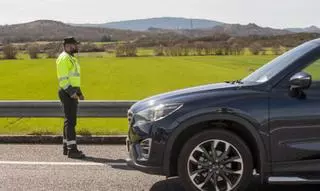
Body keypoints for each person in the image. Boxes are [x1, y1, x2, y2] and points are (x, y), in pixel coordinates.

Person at [56, 37, 85, 159]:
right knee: (71, 121)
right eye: (74, 45)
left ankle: (66, 147)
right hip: (67, 92)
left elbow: (74, 78)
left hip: (71, 92)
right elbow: (63, 78)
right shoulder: (64, 58)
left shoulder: (71, 58)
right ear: (67, 46)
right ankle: (72, 150)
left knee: (69, 120)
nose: (76, 47)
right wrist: (71, 92)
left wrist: (79, 92)